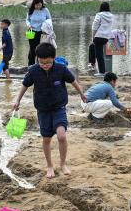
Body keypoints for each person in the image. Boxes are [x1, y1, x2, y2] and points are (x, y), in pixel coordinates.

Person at [12, 43, 86, 178]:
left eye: (48, 62)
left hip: (59, 108)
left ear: (54, 58)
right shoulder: (33, 71)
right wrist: (17, 100)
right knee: (46, 139)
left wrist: (81, 93)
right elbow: (24, 85)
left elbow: (73, 81)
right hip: (43, 110)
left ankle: (63, 164)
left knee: (61, 136)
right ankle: (50, 166)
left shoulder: (61, 69)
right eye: (41, 62)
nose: (45, 65)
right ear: (37, 60)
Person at [26, 0, 51, 66]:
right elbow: (27, 20)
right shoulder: (31, 10)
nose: (38, 6)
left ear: (42, 4)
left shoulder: (45, 10)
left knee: (40, 49)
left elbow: (49, 20)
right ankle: (30, 65)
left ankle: (39, 65)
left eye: (39, 5)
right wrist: (28, 25)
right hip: (31, 31)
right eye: (36, 5)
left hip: (42, 32)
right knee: (32, 49)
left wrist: (46, 28)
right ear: (34, 4)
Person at [92, 2, 114, 76]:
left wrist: (93, 36)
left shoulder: (99, 15)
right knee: (99, 53)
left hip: (98, 36)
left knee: (99, 55)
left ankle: (101, 72)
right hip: (106, 38)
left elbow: (94, 26)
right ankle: (100, 70)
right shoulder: (111, 16)